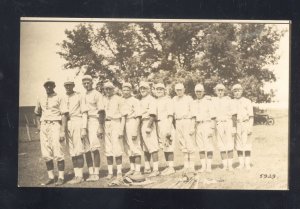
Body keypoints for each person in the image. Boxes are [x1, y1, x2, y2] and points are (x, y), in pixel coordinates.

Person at [34, 78, 67, 186]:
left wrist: (62, 130)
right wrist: (39, 125)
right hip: (44, 125)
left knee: (58, 152)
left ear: (54, 86)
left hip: (55, 124)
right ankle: (51, 177)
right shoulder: (40, 97)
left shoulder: (59, 97)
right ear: (44, 86)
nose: (48, 87)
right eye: (46, 85)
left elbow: (64, 114)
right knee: (46, 153)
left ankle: (61, 177)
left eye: (50, 85)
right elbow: (37, 112)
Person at [61, 78, 87, 184]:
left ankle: (80, 176)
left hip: (78, 121)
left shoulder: (79, 96)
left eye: (70, 85)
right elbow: (63, 114)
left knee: (79, 150)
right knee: (72, 152)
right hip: (68, 123)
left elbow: (84, 112)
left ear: (73, 85)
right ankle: (76, 175)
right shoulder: (63, 97)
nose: (68, 87)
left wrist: (84, 128)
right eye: (66, 85)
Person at [81, 75, 105, 181]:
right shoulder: (83, 95)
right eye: (84, 83)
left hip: (94, 121)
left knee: (94, 148)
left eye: (88, 82)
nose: (86, 84)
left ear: (92, 82)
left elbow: (101, 111)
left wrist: (100, 126)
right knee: (86, 149)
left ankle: (96, 173)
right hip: (84, 121)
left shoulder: (97, 94)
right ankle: (91, 172)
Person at [102, 81, 127, 180]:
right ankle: (110, 172)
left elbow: (124, 116)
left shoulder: (119, 99)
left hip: (116, 122)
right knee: (108, 149)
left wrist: (121, 129)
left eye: (110, 88)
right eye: (106, 89)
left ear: (113, 89)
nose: (108, 90)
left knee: (117, 148)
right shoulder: (103, 99)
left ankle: (119, 171)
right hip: (106, 124)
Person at [172, 83, 196, 173]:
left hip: (187, 121)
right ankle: (186, 166)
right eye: (177, 90)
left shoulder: (189, 99)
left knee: (189, 143)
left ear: (184, 90)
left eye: (180, 89)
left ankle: (192, 166)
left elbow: (193, 114)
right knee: (182, 144)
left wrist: (192, 127)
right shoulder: (174, 99)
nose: (179, 91)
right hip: (178, 122)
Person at [212, 84, 236, 171]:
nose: (220, 92)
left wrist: (234, 127)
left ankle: (230, 166)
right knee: (221, 145)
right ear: (216, 91)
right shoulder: (213, 100)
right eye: (218, 90)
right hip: (219, 123)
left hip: (228, 122)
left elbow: (234, 114)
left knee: (230, 144)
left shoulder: (229, 100)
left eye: (222, 90)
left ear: (224, 91)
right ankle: (225, 165)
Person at [192, 84, 216, 173]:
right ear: (195, 92)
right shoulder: (193, 102)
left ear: (203, 92)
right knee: (201, 147)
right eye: (197, 91)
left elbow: (213, 116)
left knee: (209, 146)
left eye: (200, 91)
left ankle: (209, 167)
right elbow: (194, 117)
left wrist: (212, 128)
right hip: (198, 126)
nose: (198, 93)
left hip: (207, 124)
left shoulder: (208, 102)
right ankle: (203, 166)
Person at [122, 82, 143, 177]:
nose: (125, 92)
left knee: (135, 146)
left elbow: (138, 116)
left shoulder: (135, 100)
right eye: (124, 90)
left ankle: (138, 170)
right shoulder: (121, 100)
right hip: (124, 123)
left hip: (132, 122)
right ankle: (132, 168)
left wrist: (135, 129)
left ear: (131, 90)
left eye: (127, 90)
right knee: (128, 148)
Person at [139, 81, 160, 177]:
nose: (142, 90)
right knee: (145, 147)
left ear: (148, 89)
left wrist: (148, 126)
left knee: (153, 146)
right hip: (142, 123)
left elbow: (152, 114)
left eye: (144, 88)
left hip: (148, 123)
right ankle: (147, 167)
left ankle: (156, 169)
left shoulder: (151, 99)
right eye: (141, 88)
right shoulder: (141, 100)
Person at [155, 83, 176, 176]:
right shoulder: (155, 100)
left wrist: (168, 128)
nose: (159, 91)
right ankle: (168, 166)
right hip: (158, 124)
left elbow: (170, 115)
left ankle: (171, 167)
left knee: (169, 145)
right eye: (157, 89)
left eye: (161, 89)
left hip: (166, 123)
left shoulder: (168, 100)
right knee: (164, 146)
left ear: (164, 90)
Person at [231, 84, 254, 170]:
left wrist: (250, 127)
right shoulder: (232, 102)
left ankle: (247, 164)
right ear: (233, 92)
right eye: (235, 91)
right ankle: (241, 164)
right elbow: (233, 115)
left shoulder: (247, 101)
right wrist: (233, 127)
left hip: (246, 123)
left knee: (247, 144)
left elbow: (251, 116)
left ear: (242, 91)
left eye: (238, 91)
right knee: (238, 145)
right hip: (237, 124)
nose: (237, 93)